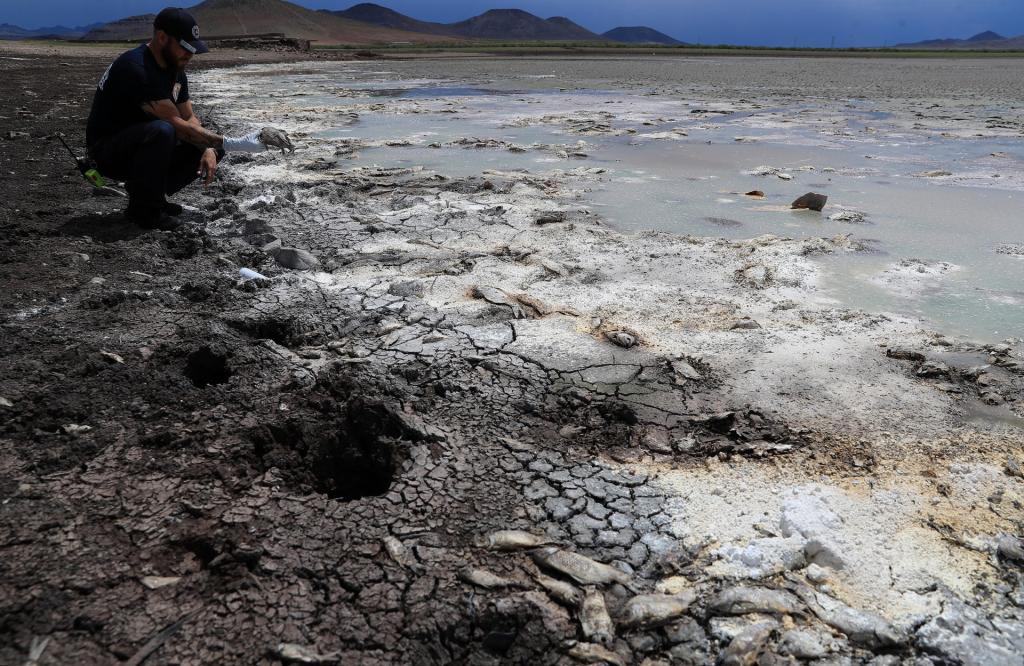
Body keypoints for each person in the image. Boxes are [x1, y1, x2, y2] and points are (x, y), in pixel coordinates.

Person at [85, 7, 272, 230]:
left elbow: (189, 116)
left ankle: (152, 197)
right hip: (107, 152)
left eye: (193, 50)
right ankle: (144, 211)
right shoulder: (136, 67)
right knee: (164, 131)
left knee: (209, 147)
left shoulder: (176, 70)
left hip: (140, 145)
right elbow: (177, 124)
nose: (189, 55)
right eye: (184, 48)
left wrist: (210, 148)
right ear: (162, 37)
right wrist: (235, 143)